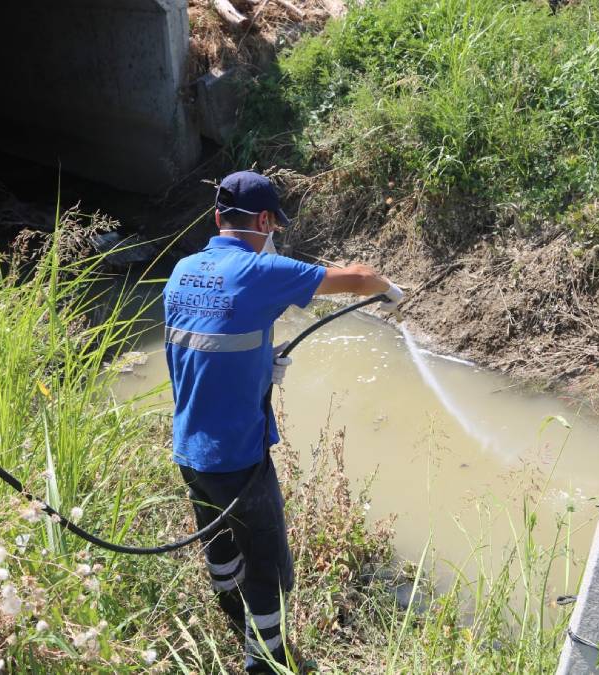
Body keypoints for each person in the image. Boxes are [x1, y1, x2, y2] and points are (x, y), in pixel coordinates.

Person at [162, 171, 402, 673]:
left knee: (218, 541)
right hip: (238, 458)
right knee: (267, 563)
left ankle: (232, 614)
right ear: (265, 221)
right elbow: (357, 278)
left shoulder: (183, 270)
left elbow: (202, 348)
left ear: (217, 218)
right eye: (274, 226)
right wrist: (388, 289)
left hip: (188, 446)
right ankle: (267, 658)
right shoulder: (261, 270)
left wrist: (259, 362)